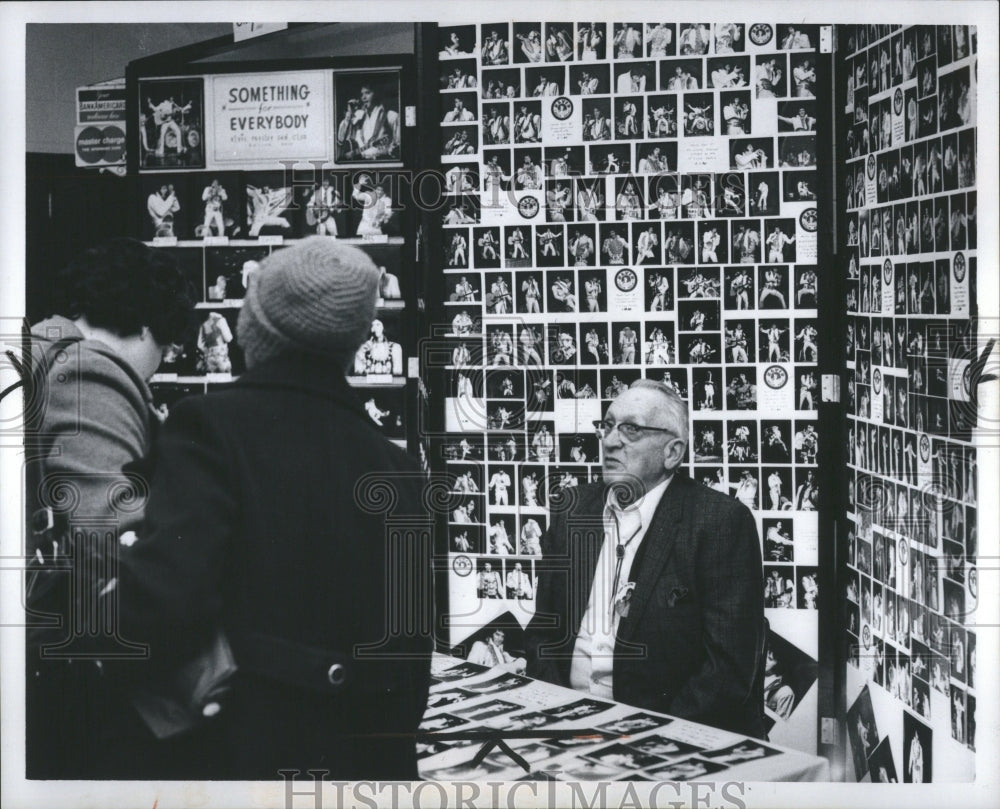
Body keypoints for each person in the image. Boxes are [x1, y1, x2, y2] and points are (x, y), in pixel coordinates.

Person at [111, 238, 432, 779]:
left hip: (241, 755)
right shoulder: (396, 465)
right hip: (366, 766)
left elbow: (162, 605)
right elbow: (408, 665)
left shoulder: (210, 427)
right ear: (355, 339)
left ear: (251, 326)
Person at [24, 239, 195, 779]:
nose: (158, 367)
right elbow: (107, 527)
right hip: (74, 671)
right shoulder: (87, 371)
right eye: (166, 347)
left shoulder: (40, 350)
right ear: (148, 329)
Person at [524, 381, 766, 737]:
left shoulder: (719, 523)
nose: (609, 441)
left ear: (672, 452)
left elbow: (726, 674)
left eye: (631, 430)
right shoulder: (573, 509)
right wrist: (560, 718)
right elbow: (542, 634)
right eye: (606, 426)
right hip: (565, 726)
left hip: (663, 739)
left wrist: (645, 738)